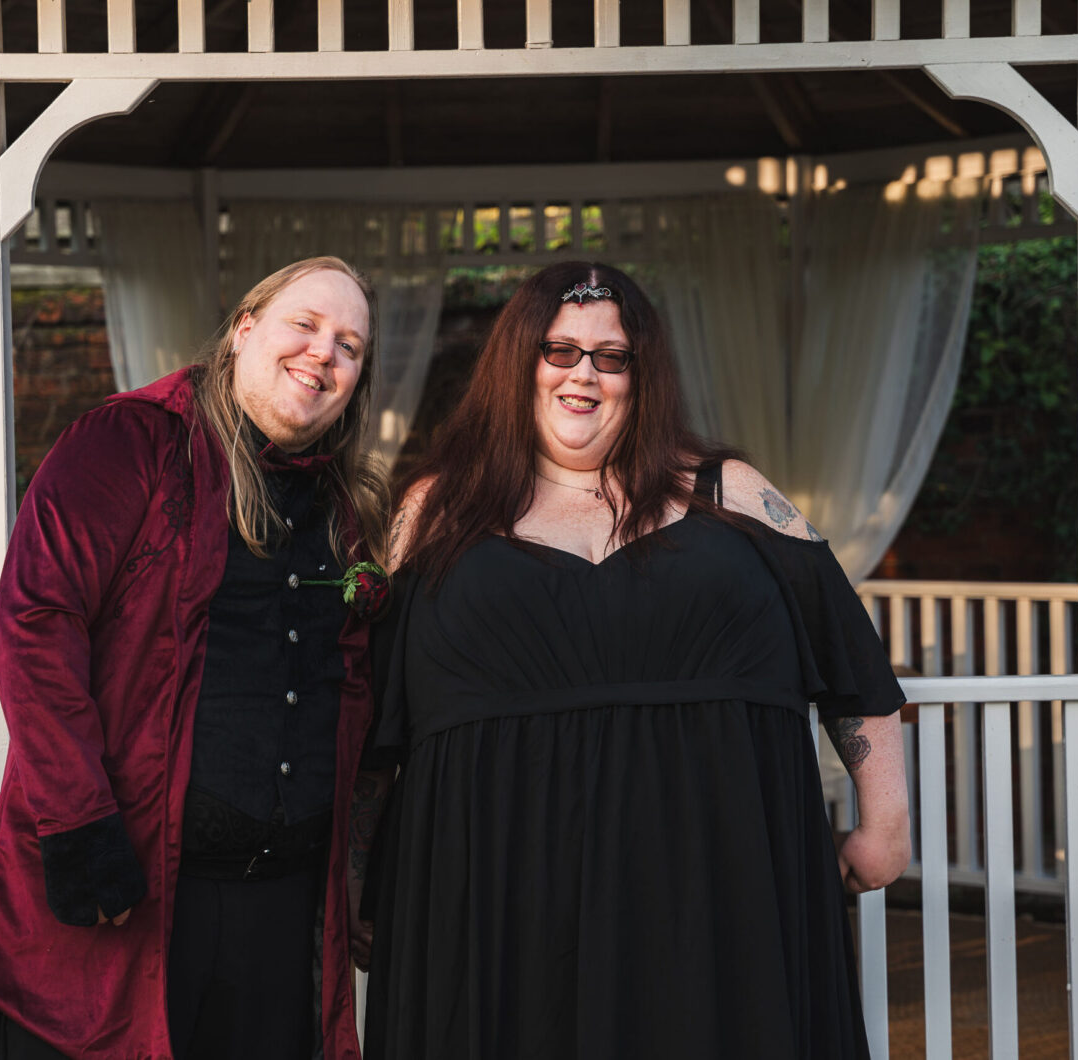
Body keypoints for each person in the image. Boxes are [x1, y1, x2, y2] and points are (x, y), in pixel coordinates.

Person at [353, 262, 911, 1059]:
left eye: (611, 357)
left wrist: (885, 824)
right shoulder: (434, 512)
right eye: (560, 350)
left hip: (716, 894)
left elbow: (851, 656)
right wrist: (350, 883)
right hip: (498, 905)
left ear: (641, 375)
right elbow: (375, 718)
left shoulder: (734, 494)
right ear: (518, 361)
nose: (585, 373)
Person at [0, 256, 389, 1060]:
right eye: (305, 325)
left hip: (279, 922)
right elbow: (36, 622)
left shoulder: (343, 508)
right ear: (244, 329)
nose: (325, 353)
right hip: (133, 901)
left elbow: (349, 697)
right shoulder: (130, 441)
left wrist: (355, 874)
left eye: (350, 344)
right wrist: (80, 825)